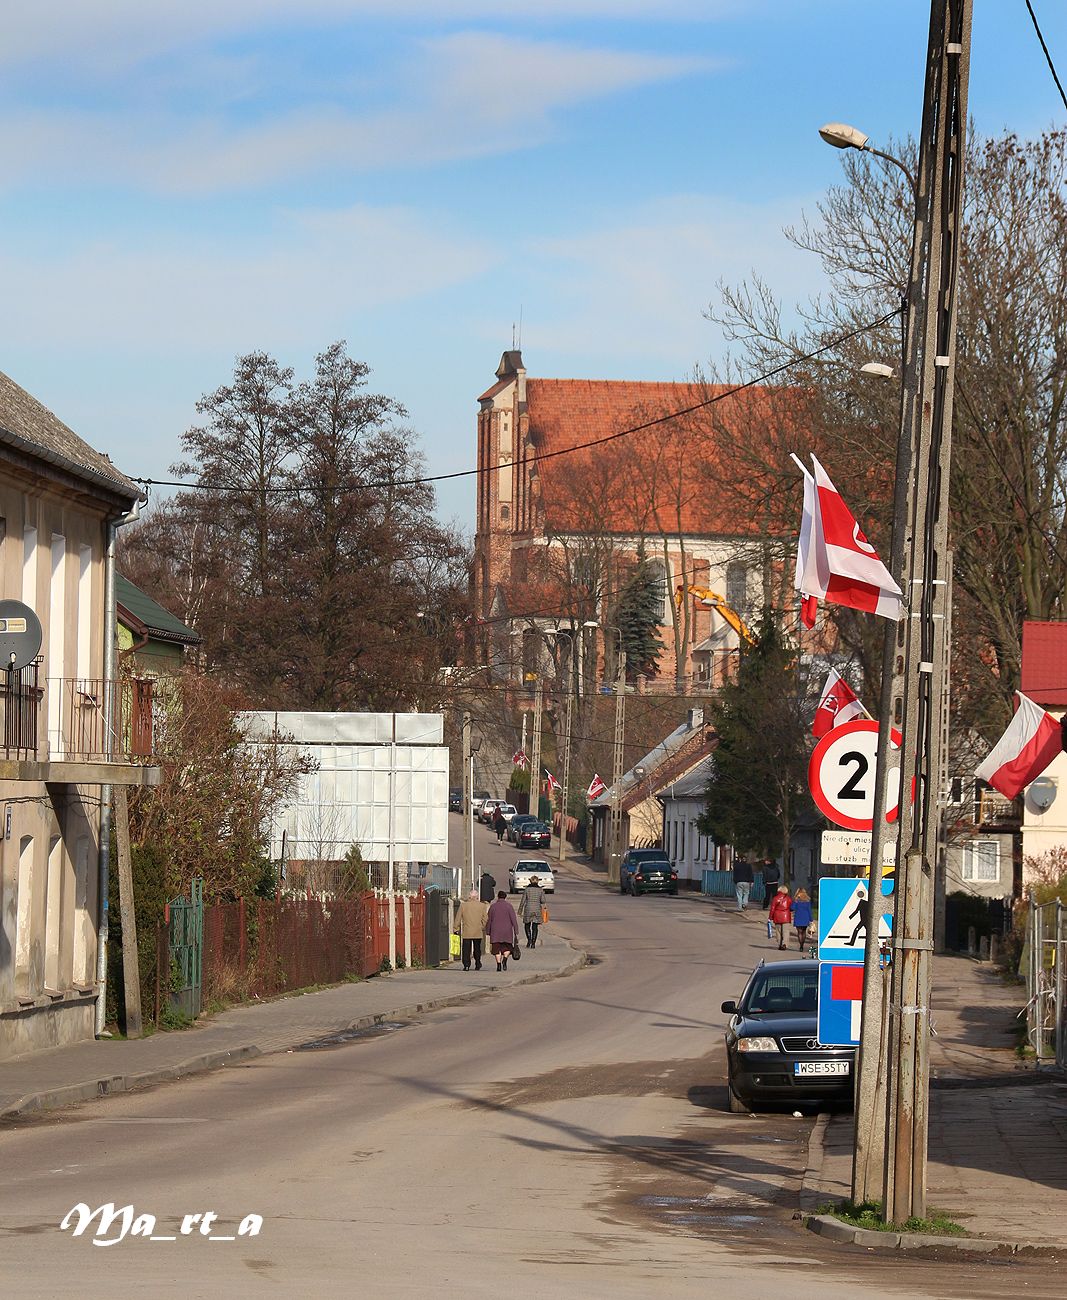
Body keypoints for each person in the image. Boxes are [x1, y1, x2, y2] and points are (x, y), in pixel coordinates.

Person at [454, 889, 489, 971]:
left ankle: (466, 965)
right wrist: (482, 926)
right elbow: (485, 918)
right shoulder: (482, 906)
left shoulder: (463, 905)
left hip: (467, 930)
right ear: (477, 897)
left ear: (469, 896)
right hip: (477, 930)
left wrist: (456, 928)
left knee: (466, 949)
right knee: (477, 948)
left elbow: (458, 918)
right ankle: (477, 963)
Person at [486, 889, 520, 971]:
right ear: (505, 897)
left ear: (498, 897)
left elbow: (489, 919)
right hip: (507, 931)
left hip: (495, 931)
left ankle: (498, 965)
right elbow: (513, 919)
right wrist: (516, 930)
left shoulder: (493, 906)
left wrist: (488, 930)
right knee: (507, 947)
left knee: (496, 949)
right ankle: (504, 960)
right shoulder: (509, 906)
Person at [517, 875, 547, 949]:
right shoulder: (540, 890)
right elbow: (543, 901)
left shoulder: (527, 889)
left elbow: (523, 900)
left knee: (527, 925)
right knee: (535, 926)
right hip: (537, 909)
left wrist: (520, 910)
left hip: (528, 909)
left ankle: (529, 940)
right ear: (537, 881)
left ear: (530, 881)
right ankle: (533, 943)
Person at [768, 884, 793, 950]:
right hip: (786, 916)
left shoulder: (775, 898)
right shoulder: (788, 899)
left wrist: (770, 917)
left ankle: (779, 944)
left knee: (778, 931)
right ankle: (784, 944)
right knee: (786, 931)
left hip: (777, 916)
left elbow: (772, 909)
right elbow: (791, 907)